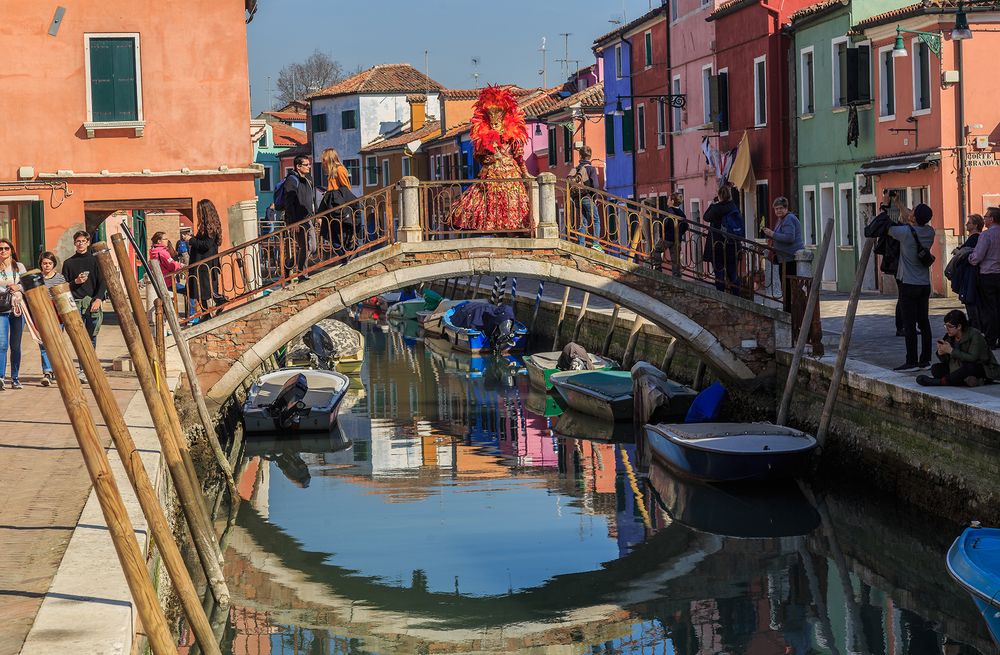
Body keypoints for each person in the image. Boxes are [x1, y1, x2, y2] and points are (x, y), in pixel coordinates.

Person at [448, 85, 533, 232]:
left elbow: (519, 157)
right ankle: (495, 228)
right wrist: (488, 157)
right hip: (491, 174)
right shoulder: (484, 139)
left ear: (503, 122)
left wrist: (525, 173)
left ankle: (513, 230)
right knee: (488, 200)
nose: (494, 125)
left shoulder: (512, 137)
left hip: (510, 174)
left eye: (497, 123)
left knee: (511, 201)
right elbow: (479, 158)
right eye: (492, 123)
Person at [889, 202, 935, 371]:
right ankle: (925, 360)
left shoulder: (905, 233)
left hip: (908, 284)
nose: (910, 213)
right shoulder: (930, 232)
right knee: (924, 322)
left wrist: (886, 206)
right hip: (924, 284)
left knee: (909, 324)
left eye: (913, 211)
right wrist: (900, 205)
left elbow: (888, 229)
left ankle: (911, 361)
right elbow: (912, 218)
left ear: (914, 217)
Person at [916, 310, 1000, 387]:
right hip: (959, 366)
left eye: (950, 326)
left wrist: (951, 351)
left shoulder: (974, 335)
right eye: (946, 326)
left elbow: (973, 358)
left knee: (968, 368)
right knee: (936, 369)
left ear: (959, 326)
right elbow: (947, 361)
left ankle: (941, 382)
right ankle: (972, 381)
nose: (947, 329)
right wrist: (941, 353)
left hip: (981, 367)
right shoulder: (949, 336)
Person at [62, 230, 106, 356]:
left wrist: (98, 299)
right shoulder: (68, 263)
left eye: (83, 241)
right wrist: (76, 281)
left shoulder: (95, 260)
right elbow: (65, 286)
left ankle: (91, 366)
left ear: (88, 243)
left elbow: (102, 282)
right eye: (78, 241)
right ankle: (83, 368)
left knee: (91, 335)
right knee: (79, 337)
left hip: (92, 303)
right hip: (75, 303)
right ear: (74, 244)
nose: (80, 244)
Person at [761, 197, 804, 312]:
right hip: (784, 258)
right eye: (776, 209)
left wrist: (772, 234)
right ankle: (789, 309)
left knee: (789, 286)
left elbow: (790, 237)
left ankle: (790, 310)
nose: (778, 211)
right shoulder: (782, 219)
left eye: (780, 208)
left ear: (786, 208)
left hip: (790, 258)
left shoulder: (788, 219)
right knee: (786, 286)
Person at [281, 154, 317, 280]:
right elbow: (289, 203)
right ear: (298, 166)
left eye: (309, 164)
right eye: (306, 165)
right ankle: (302, 273)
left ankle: (289, 263)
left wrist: (316, 215)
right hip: (297, 219)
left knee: (312, 247)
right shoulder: (291, 180)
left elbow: (312, 199)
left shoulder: (308, 179)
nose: (309, 167)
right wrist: (293, 222)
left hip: (308, 217)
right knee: (305, 246)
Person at [188, 199, 225, 319]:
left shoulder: (210, 227)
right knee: (202, 291)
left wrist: (191, 240)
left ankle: (216, 305)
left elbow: (206, 245)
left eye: (199, 211)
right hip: (204, 264)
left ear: (204, 212)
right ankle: (207, 314)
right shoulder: (210, 226)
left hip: (205, 264)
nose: (197, 214)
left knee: (202, 290)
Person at [946, 213, 984, 330]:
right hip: (970, 276)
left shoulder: (975, 238)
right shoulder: (975, 238)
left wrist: (959, 252)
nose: (966, 224)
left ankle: (976, 328)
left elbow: (968, 254)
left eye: (969, 223)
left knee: (972, 304)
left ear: (976, 225)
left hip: (971, 276)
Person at [970, 206, 1000, 349]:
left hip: (988, 275)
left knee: (989, 309)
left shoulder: (986, 235)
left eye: (986, 216)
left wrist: (969, 257)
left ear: (992, 219)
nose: (985, 218)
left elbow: (978, 256)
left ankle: (990, 339)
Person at [702, 185, 741, 295]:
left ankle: (721, 295)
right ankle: (736, 296)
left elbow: (706, 217)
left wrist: (712, 205)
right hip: (733, 244)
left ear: (719, 196)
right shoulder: (734, 206)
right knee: (733, 272)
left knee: (719, 272)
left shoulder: (716, 208)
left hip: (717, 244)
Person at [317, 147, 356, 256]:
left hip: (339, 206)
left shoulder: (340, 170)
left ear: (329, 159)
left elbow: (346, 188)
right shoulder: (333, 171)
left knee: (338, 234)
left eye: (324, 160)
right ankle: (345, 256)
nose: (322, 162)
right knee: (330, 233)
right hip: (332, 204)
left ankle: (347, 255)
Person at [0, 238, 26, 390]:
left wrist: (18, 287)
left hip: (17, 309)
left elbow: (26, 284)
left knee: (15, 345)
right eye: (0, 249)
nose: (3, 251)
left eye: (6, 248)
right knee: (2, 345)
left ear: (11, 250)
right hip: (1, 310)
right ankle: (1, 377)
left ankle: (15, 378)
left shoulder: (19, 266)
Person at [38, 251, 66, 387]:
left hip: (57, 315)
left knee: (56, 343)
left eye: (49, 263)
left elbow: (64, 296)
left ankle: (58, 370)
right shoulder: (37, 279)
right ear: (41, 265)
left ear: (53, 264)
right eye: (44, 263)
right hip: (42, 313)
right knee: (43, 344)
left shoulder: (60, 278)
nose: (47, 266)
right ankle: (47, 372)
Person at [568, 145, 601, 246]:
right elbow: (595, 185)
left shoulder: (576, 168)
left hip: (576, 198)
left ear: (580, 156)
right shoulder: (591, 169)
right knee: (596, 220)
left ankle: (581, 243)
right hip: (587, 197)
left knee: (583, 221)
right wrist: (595, 197)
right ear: (590, 156)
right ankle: (596, 244)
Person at [652, 192, 688, 272]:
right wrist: (679, 233)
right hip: (677, 239)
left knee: (657, 250)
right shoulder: (682, 214)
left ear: (672, 201)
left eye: (668, 199)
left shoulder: (669, 211)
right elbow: (685, 226)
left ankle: (658, 269)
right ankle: (676, 276)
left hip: (667, 237)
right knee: (675, 260)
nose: (667, 201)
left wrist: (663, 233)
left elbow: (666, 224)